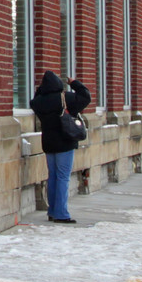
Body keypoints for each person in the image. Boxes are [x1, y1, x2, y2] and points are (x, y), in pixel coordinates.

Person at [31, 70, 93, 223]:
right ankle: (61, 214)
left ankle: (52, 211)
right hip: (65, 143)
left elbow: (34, 99)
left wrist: (41, 89)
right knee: (63, 177)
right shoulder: (65, 98)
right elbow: (86, 96)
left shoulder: (39, 102)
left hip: (49, 143)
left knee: (53, 177)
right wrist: (74, 83)